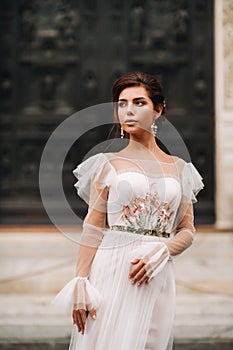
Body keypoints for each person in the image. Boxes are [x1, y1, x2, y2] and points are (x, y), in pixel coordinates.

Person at [53, 71, 204, 350]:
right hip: (111, 270)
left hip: (157, 274)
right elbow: (93, 228)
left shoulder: (181, 169)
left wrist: (164, 250)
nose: (128, 111)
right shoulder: (106, 164)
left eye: (139, 103)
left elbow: (187, 230)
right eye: (122, 104)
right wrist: (80, 284)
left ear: (159, 109)